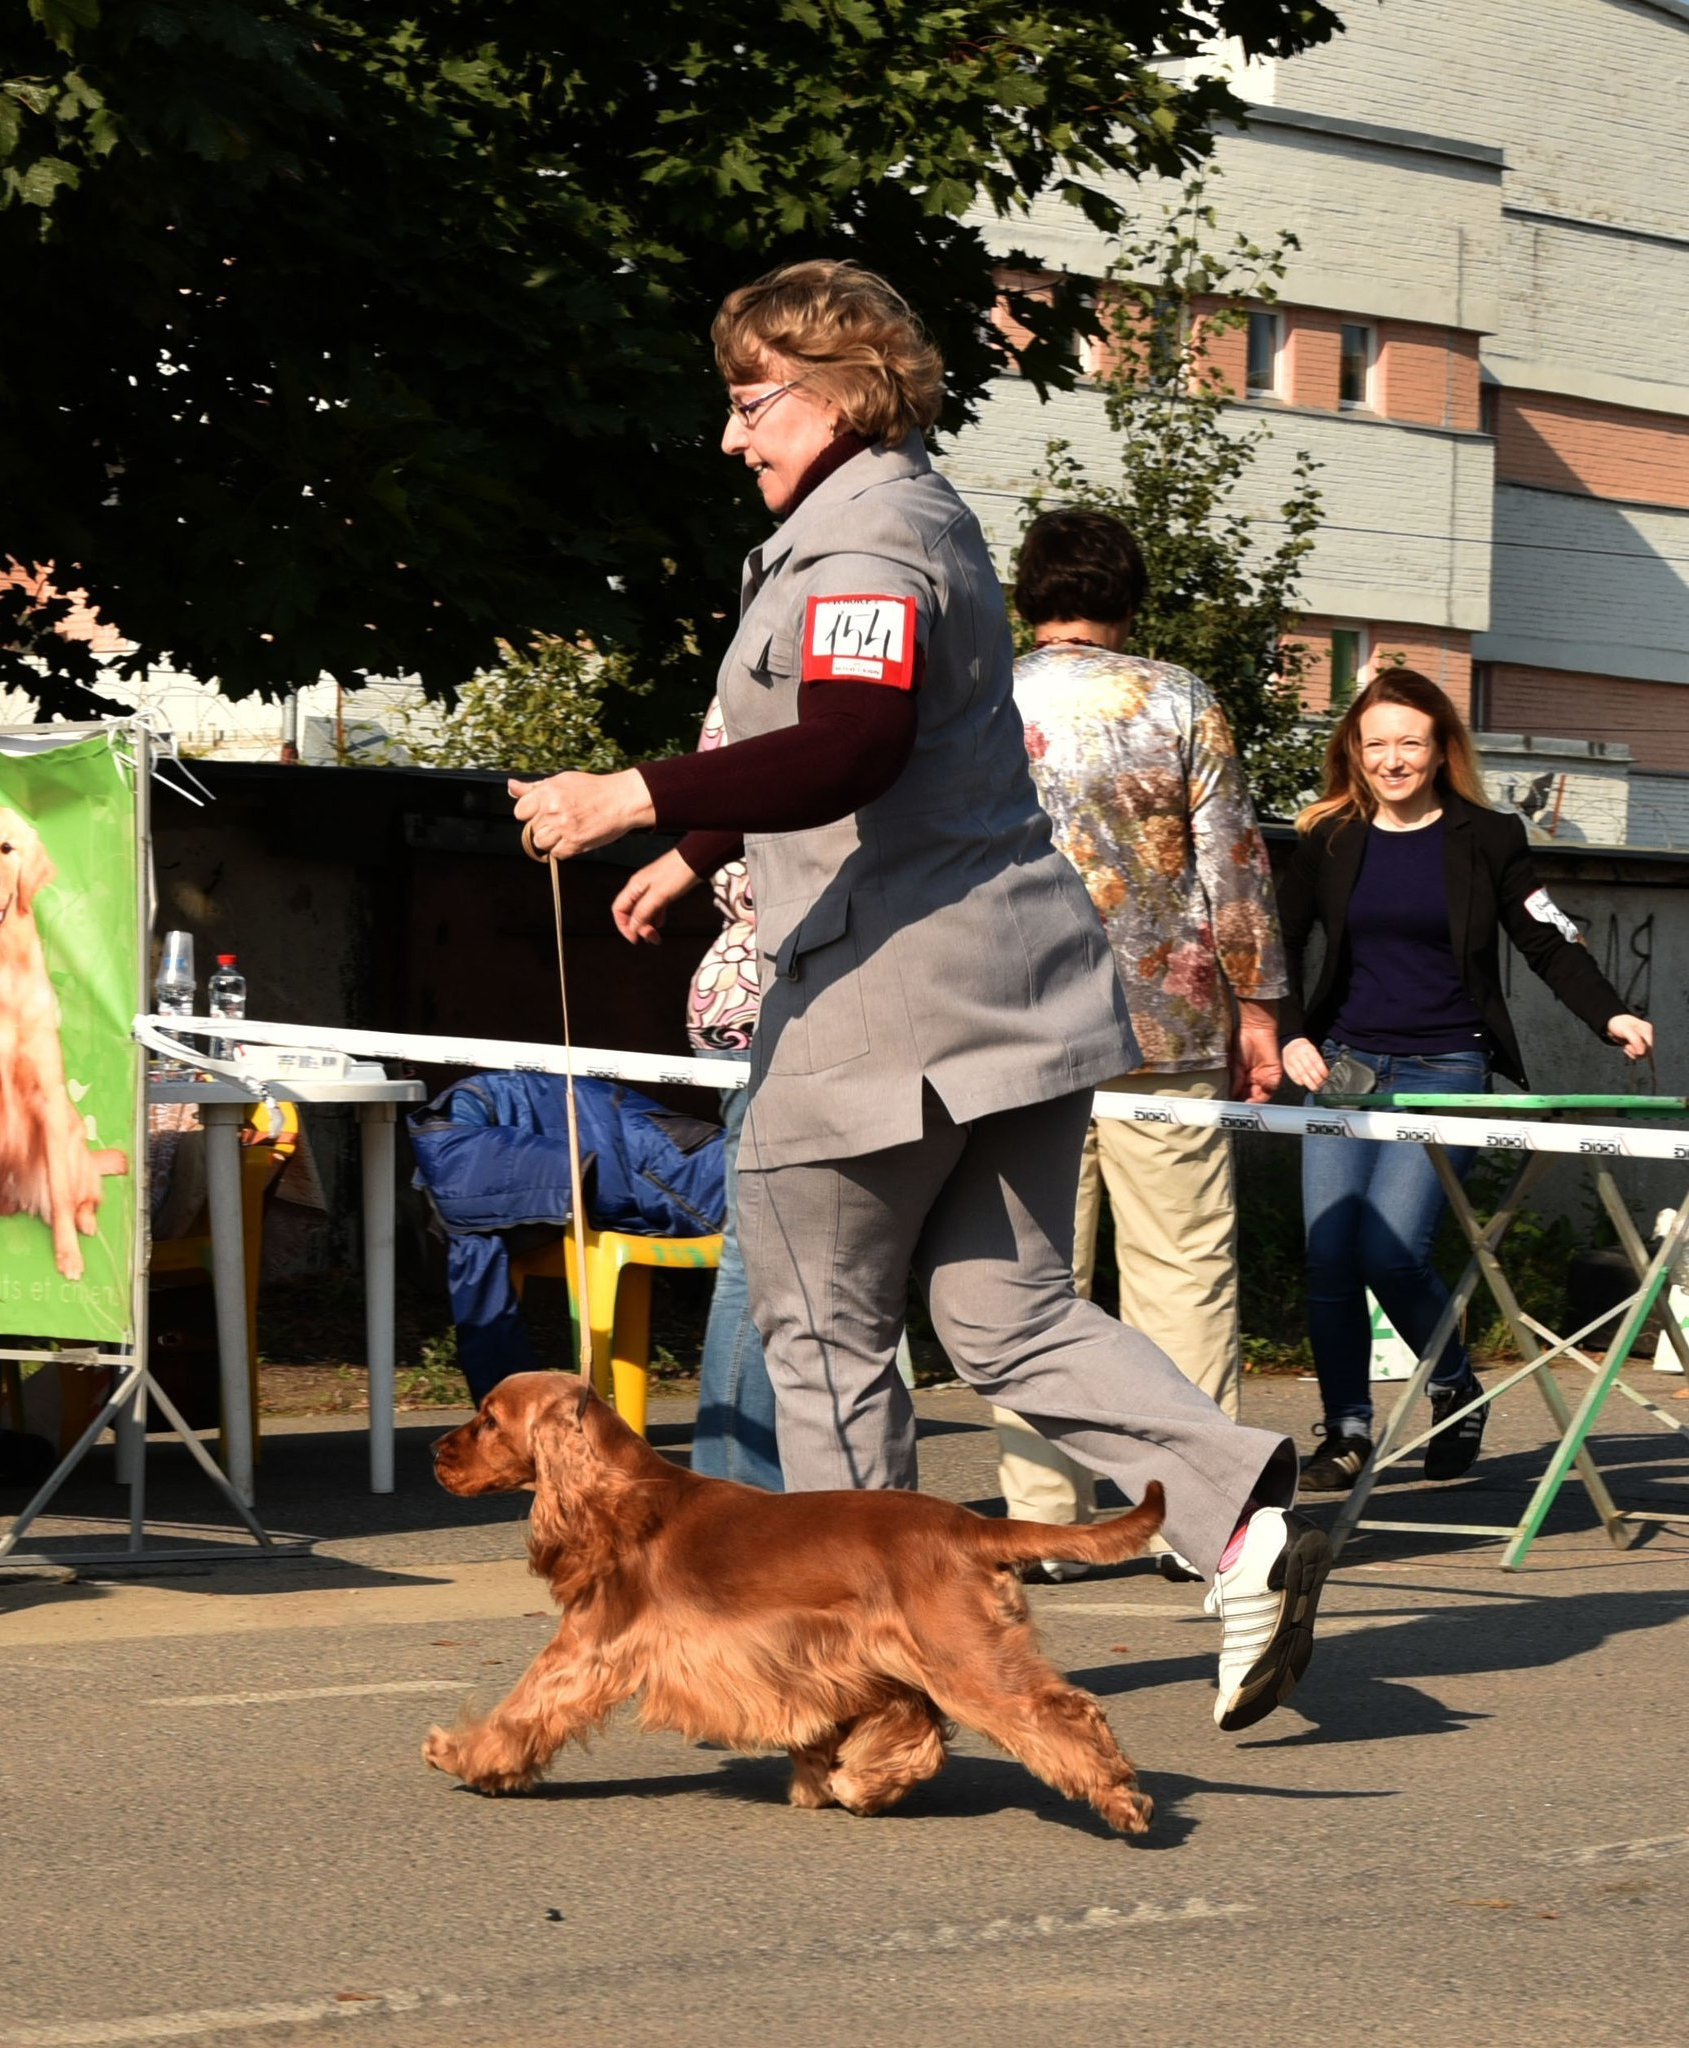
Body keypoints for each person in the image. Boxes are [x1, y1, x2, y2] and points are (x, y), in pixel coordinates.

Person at [510, 258, 1328, 1733]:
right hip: (1014, 999)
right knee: (1005, 1312)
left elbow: (853, 744)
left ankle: (870, 1690)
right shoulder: (901, 515)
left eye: (752, 402)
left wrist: (631, 795)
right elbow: (850, 746)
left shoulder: (865, 538)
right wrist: (699, 847)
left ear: (838, 394)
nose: (732, 435)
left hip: (889, 1015)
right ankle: (1249, 1513)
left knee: (823, 1338)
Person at [990, 509, 1288, 1580]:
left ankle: (1041, 1521)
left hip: (1010, 1023)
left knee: (1027, 1280)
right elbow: (1232, 864)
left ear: (1026, 594)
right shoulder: (1179, 699)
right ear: (1129, 593)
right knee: (1181, 1270)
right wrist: (1257, 1006)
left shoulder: (983, 693)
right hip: (1165, 1018)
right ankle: (1199, 1516)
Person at [1276, 668, 1657, 1490]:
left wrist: (1611, 1014)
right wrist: (1289, 1034)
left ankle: (1452, 1385)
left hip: (1448, 1066)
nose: (1391, 759)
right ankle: (1346, 1430)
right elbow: (1277, 941)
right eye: (1374, 744)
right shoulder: (1329, 837)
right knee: (1331, 1254)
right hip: (1344, 1064)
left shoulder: (1488, 837)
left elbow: (1549, 939)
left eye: (1409, 742)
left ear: (1442, 747)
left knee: (1389, 1247)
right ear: (1353, 750)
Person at [685, 696, 784, 1490]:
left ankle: (739, 1490)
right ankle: (737, 1492)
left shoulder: (738, 689)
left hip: (744, 991)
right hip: (780, 997)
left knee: (764, 1257)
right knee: (761, 1259)